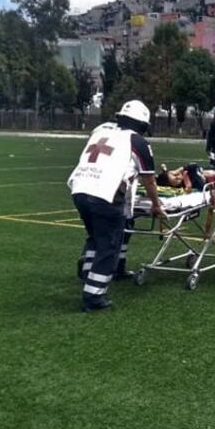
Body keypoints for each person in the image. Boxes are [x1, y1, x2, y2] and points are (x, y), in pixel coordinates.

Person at [68, 100, 163, 312]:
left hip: (79, 190)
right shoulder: (138, 142)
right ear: (142, 124)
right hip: (106, 194)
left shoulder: (101, 133)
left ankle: (87, 272)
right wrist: (156, 205)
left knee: (95, 237)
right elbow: (149, 180)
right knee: (109, 245)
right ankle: (94, 296)